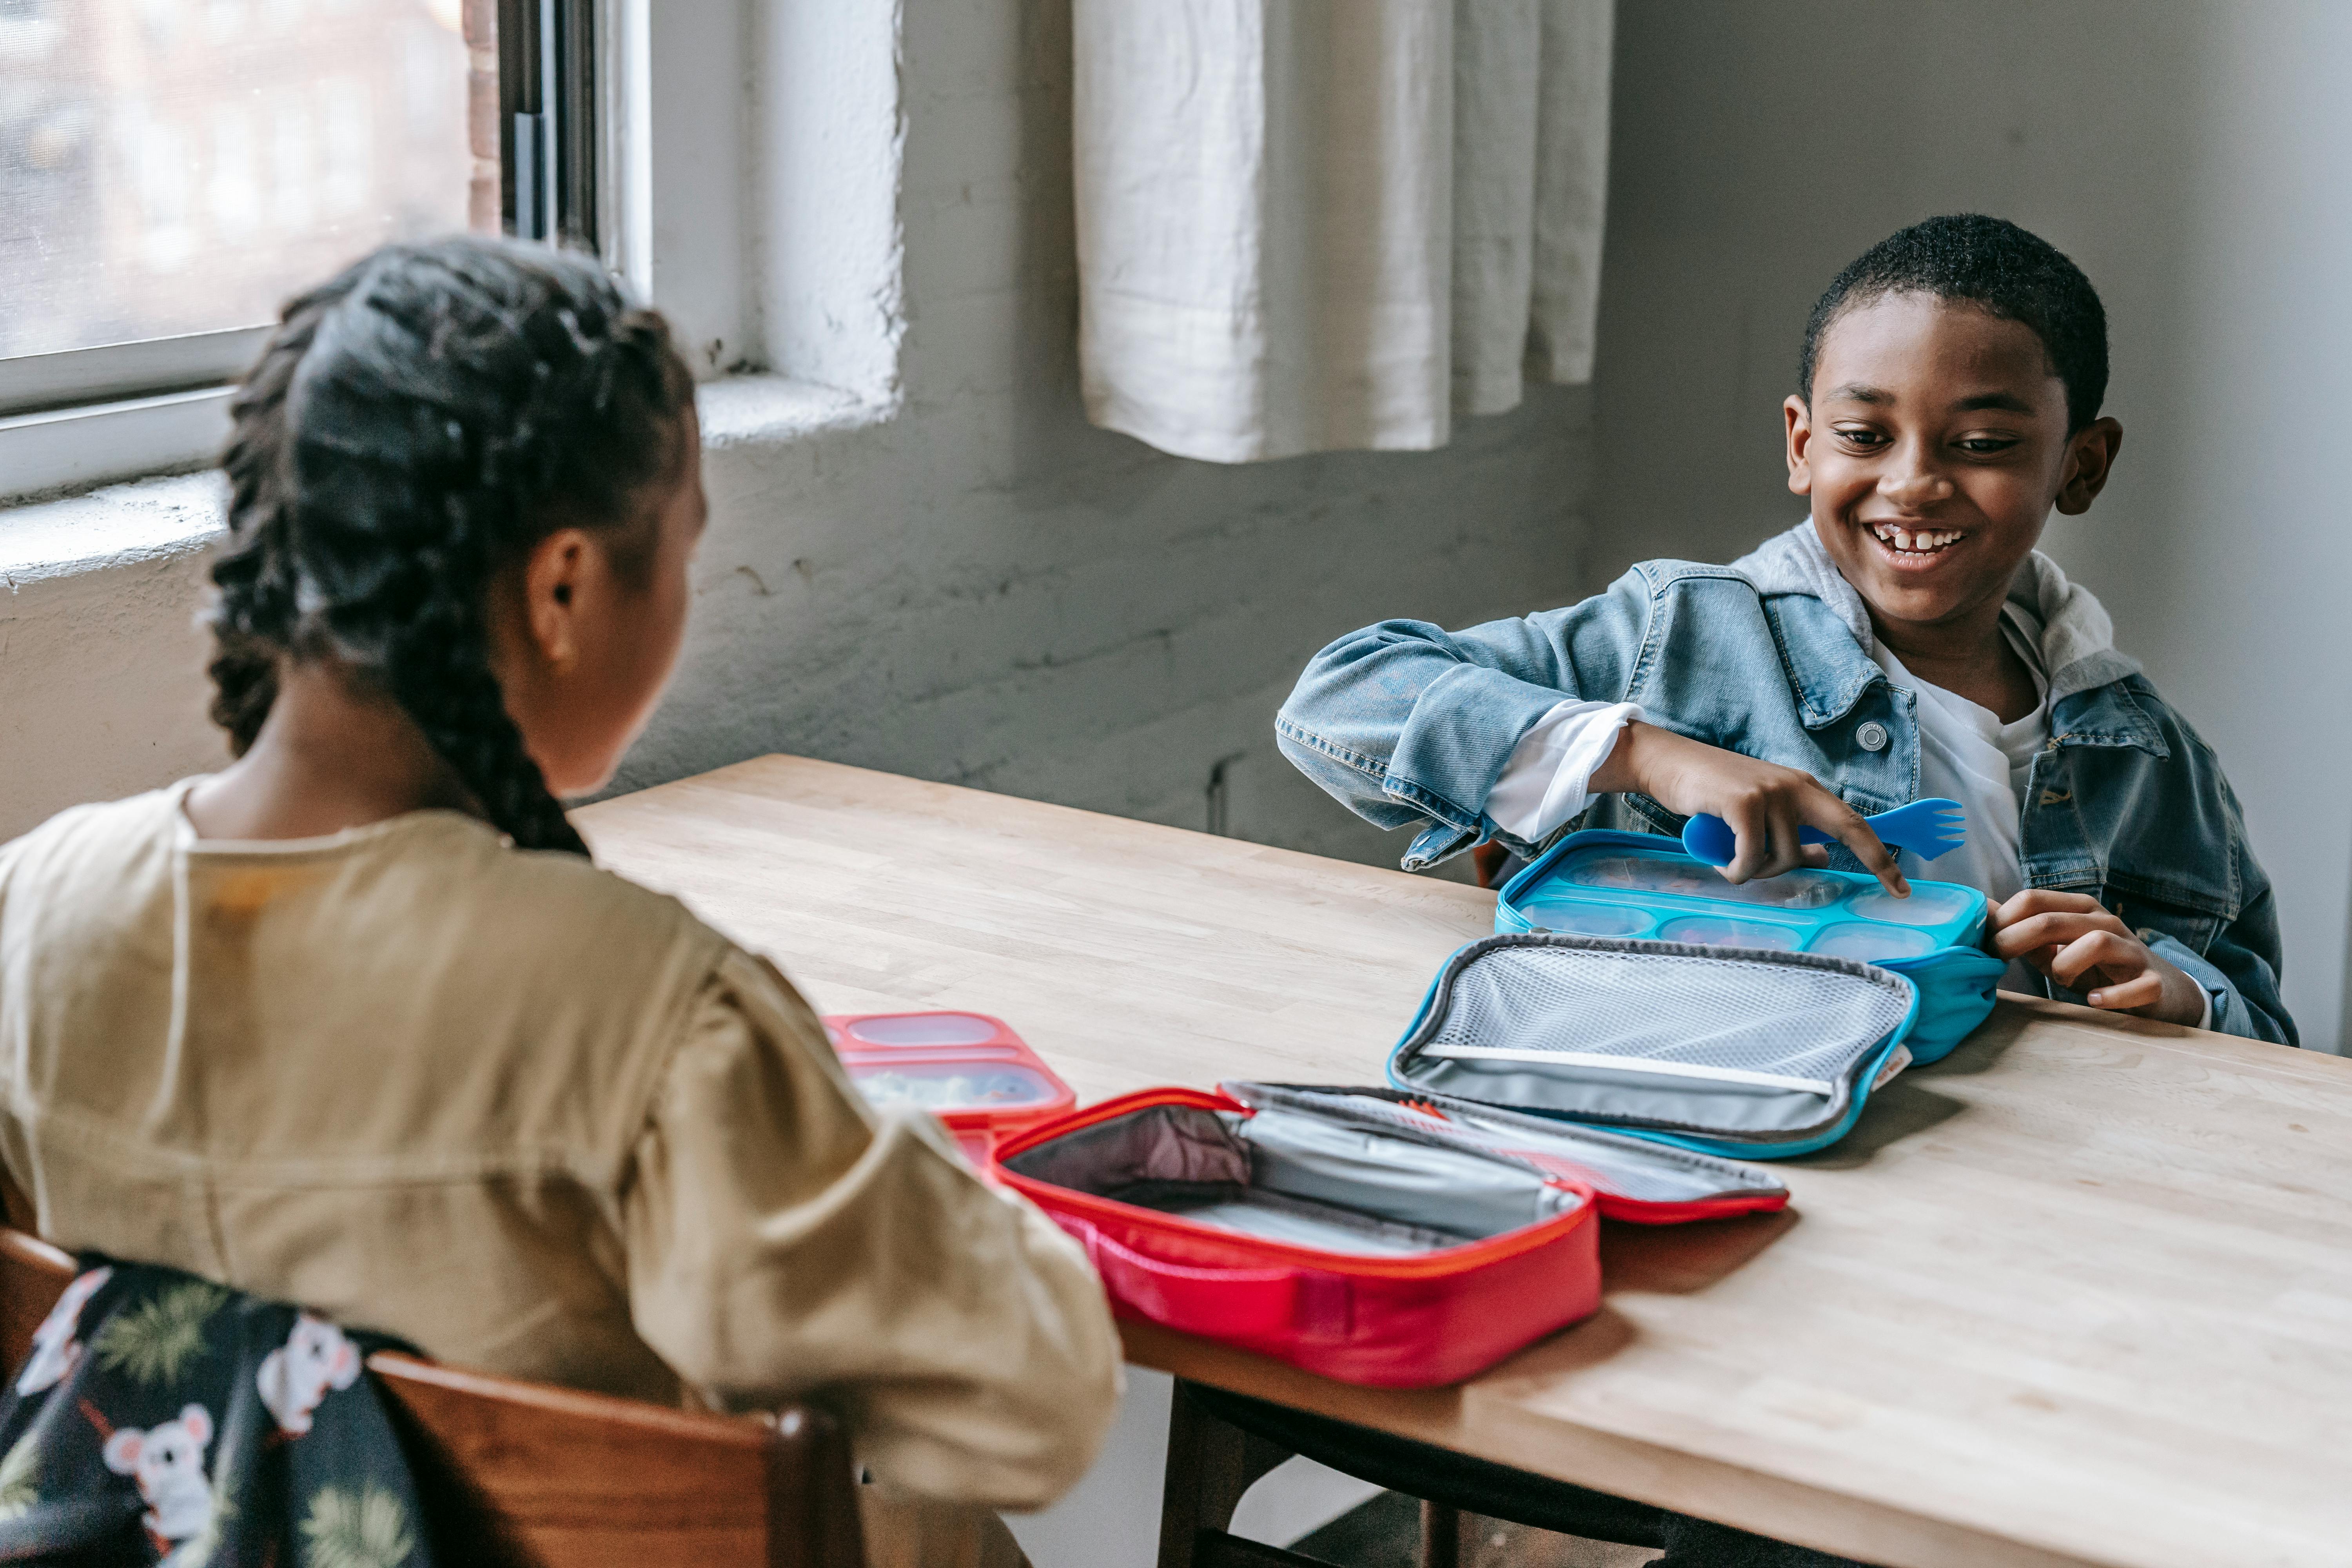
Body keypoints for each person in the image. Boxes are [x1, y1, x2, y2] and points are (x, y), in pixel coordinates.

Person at [0, 237, 1120, 1566]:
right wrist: (884, 1150)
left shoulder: (33, 906)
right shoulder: (651, 1018)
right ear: (563, 588)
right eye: (684, 554)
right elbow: (1037, 1407)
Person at [1280, 212, 2291, 1048]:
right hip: (1701, 1102)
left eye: (1982, 444)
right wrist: (1645, 756)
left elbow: (2272, 1041)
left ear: (2082, 464)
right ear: (1804, 446)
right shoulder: (1683, 636)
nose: (1914, 483)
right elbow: (1343, 697)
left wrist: (2178, 994)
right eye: (1864, 437)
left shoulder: (2150, 760)